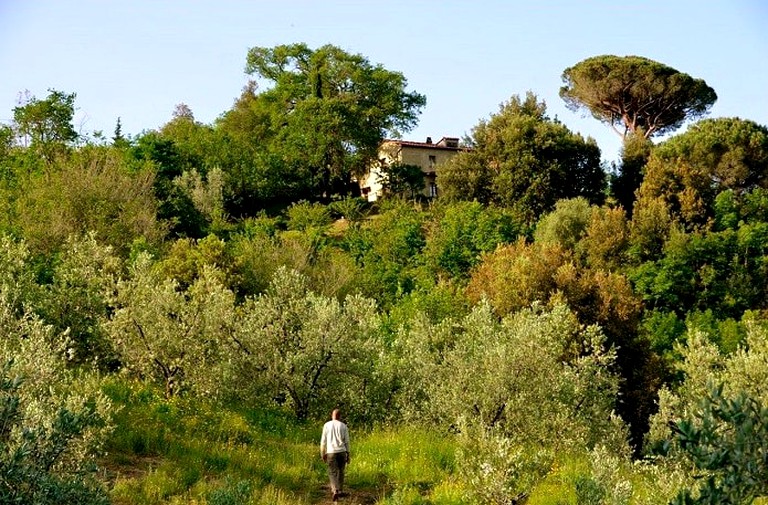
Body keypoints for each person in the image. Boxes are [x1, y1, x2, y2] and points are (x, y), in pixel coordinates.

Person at [320, 409, 350, 501]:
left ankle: (335, 490)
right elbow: (347, 442)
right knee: (341, 471)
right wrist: (348, 454)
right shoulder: (343, 426)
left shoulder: (327, 425)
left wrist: (322, 453)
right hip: (342, 451)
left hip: (331, 452)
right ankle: (340, 490)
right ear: (339, 416)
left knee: (332, 472)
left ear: (332, 415)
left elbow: (323, 441)